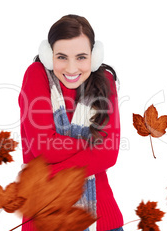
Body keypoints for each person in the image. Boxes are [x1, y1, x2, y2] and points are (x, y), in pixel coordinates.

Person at [18, 14, 123, 231]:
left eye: (81, 57)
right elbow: (44, 148)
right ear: (48, 55)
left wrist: (48, 174)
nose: (72, 68)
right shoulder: (36, 75)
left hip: (102, 221)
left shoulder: (105, 81)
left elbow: (109, 154)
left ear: (94, 57)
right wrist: (93, 146)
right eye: (62, 57)